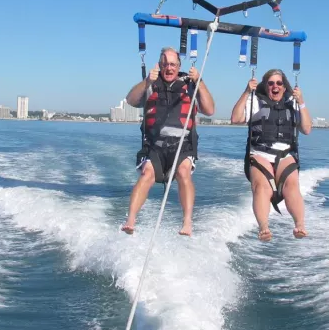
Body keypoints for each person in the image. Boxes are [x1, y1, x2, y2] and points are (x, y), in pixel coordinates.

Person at [121, 46, 215, 236]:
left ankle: (187, 222)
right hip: (155, 145)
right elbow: (131, 100)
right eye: (165, 64)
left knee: (183, 172)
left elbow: (209, 110)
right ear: (160, 65)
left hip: (183, 144)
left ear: (179, 66)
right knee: (147, 174)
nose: (169, 68)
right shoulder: (151, 84)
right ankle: (130, 219)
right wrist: (147, 80)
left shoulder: (190, 84)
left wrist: (199, 81)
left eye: (172, 64)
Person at [230, 69, 312, 241]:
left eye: (279, 83)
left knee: (292, 186)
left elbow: (306, 129)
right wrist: (246, 92)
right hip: (260, 153)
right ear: (266, 86)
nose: (275, 86)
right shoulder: (255, 101)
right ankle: (264, 228)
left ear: (284, 86)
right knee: (262, 188)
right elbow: (235, 119)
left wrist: (302, 102)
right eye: (271, 83)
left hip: (285, 153)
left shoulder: (293, 103)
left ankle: (300, 225)